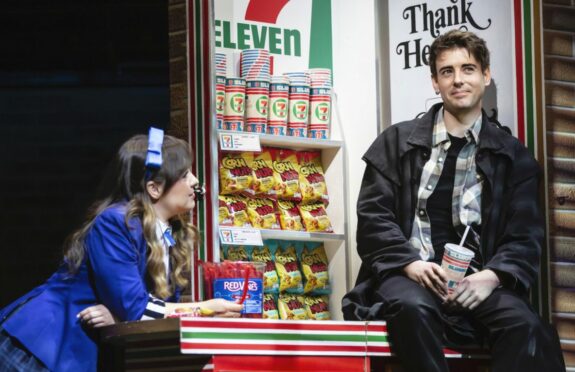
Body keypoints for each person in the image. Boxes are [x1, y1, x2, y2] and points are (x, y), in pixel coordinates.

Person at [342, 30, 565, 372]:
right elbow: (373, 218)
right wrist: (410, 264)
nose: (458, 80)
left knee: (525, 324)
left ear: (486, 76)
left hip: (479, 279)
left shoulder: (514, 157)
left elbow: (525, 235)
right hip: (410, 274)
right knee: (412, 308)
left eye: (468, 69)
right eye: (447, 71)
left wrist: (491, 277)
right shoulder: (396, 142)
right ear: (435, 82)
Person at [0, 129, 243, 371]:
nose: (194, 181)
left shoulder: (171, 233)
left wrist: (120, 319)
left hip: (78, 357)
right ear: (154, 188)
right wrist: (205, 308)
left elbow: (152, 311)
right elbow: (137, 309)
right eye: (184, 174)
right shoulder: (116, 223)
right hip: (41, 347)